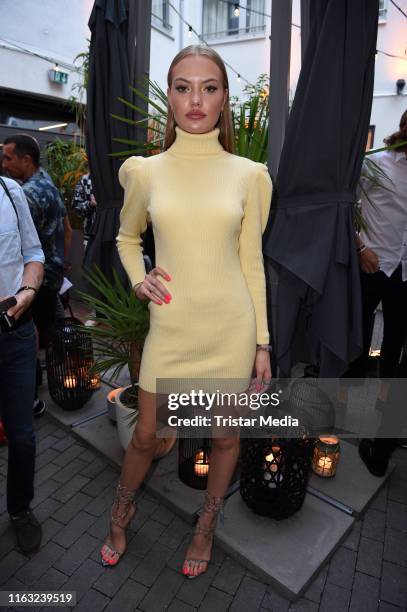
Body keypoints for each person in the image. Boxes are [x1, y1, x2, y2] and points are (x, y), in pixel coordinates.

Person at [100, 45, 272, 579]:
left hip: (231, 328)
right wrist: (138, 279)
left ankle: (206, 526)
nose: (195, 99)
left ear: (223, 99)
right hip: (170, 327)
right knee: (147, 436)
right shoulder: (146, 172)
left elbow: (252, 263)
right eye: (182, 87)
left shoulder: (250, 175)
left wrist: (263, 343)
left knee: (223, 437)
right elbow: (127, 239)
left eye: (209, 87)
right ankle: (120, 513)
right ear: (170, 98)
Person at [353, 110, 407, 476]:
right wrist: (359, 249)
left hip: (405, 275)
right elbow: (344, 209)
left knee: (394, 354)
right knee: (356, 342)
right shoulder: (376, 165)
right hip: (373, 263)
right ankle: (342, 417)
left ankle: (382, 434)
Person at [0, 175, 45, 553]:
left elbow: (33, 253)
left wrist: (27, 292)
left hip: (15, 331)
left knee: (22, 435)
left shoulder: (10, 192)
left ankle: (20, 510)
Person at [2, 134, 65, 348]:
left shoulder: (25, 194)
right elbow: (67, 226)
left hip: (36, 280)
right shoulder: (48, 183)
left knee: (39, 335)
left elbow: (22, 247)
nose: (4, 164)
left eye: (8, 158)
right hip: (53, 273)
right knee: (51, 328)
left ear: (26, 160)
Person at [72, 172, 96, 247]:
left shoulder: (114, 177)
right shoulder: (85, 180)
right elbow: (76, 206)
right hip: (90, 236)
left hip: (114, 234)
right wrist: (90, 204)